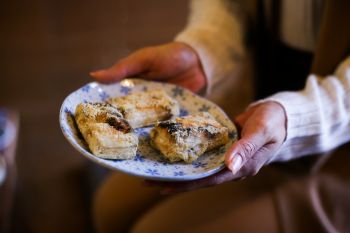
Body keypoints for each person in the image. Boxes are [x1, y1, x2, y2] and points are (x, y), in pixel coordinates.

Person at [90, 0, 350, 232]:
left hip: (335, 148)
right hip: (248, 112)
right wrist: (201, 50)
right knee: (110, 208)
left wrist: (291, 117)